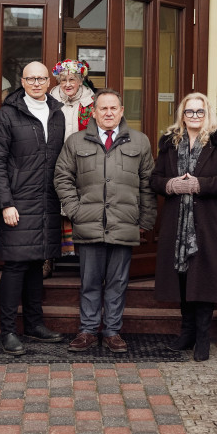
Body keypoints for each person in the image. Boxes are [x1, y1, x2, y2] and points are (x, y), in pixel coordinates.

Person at [54, 89, 156, 353]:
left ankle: (112, 331)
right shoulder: (76, 142)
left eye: (114, 108)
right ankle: (88, 330)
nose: (109, 113)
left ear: (121, 111)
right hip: (89, 223)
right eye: (103, 109)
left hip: (124, 222)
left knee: (117, 281)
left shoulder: (139, 142)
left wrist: (145, 218)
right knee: (89, 280)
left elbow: (148, 184)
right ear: (94, 112)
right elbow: (62, 177)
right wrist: (75, 210)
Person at [151, 93, 217, 361]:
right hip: (176, 222)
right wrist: (171, 185)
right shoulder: (170, 142)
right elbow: (154, 179)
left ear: (207, 113)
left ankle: (202, 338)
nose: (195, 117)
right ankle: (186, 333)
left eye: (200, 112)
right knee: (182, 277)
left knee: (204, 279)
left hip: (206, 223)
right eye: (190, 112)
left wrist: (198, 184)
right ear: (182, 114)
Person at [0, 61, 67, 355]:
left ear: (49, 81)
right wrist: (5, 203)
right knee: (16, 265)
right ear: (21, 81)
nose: (36, 83)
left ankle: (34, 324)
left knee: (37, 262)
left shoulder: (57, 113)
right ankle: (8, 330)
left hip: (47, 200)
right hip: (18, 200)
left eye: (41, 78)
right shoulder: (7, 114)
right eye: (30, 78)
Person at [46, 59, 96, 277]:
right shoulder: (48, 101)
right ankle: (47, 257)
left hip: (84, 163)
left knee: (84, 207)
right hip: (53, 161)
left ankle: (85, 261)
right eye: (63, 79)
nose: (68, 83)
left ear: (80, 80)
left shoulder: (92, 102)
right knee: (49, 209)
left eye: (72, 79)